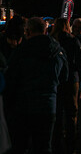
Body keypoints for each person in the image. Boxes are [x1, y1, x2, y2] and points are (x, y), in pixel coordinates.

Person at [5, 17, 68, 154]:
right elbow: (65, 77)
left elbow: (11, 78)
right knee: (44, 146)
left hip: (24, 106)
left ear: (27, 31)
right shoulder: (57, 50)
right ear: (45, 30)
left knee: (22, 145)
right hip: (48, 105)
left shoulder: (21, 51)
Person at [50, 18, 81, 154]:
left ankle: (56, 146)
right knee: (71, 114)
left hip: (57, 81)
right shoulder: (73, 40)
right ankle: (71, 146)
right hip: (71, 80)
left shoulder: (52, 41)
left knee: (57, 114)